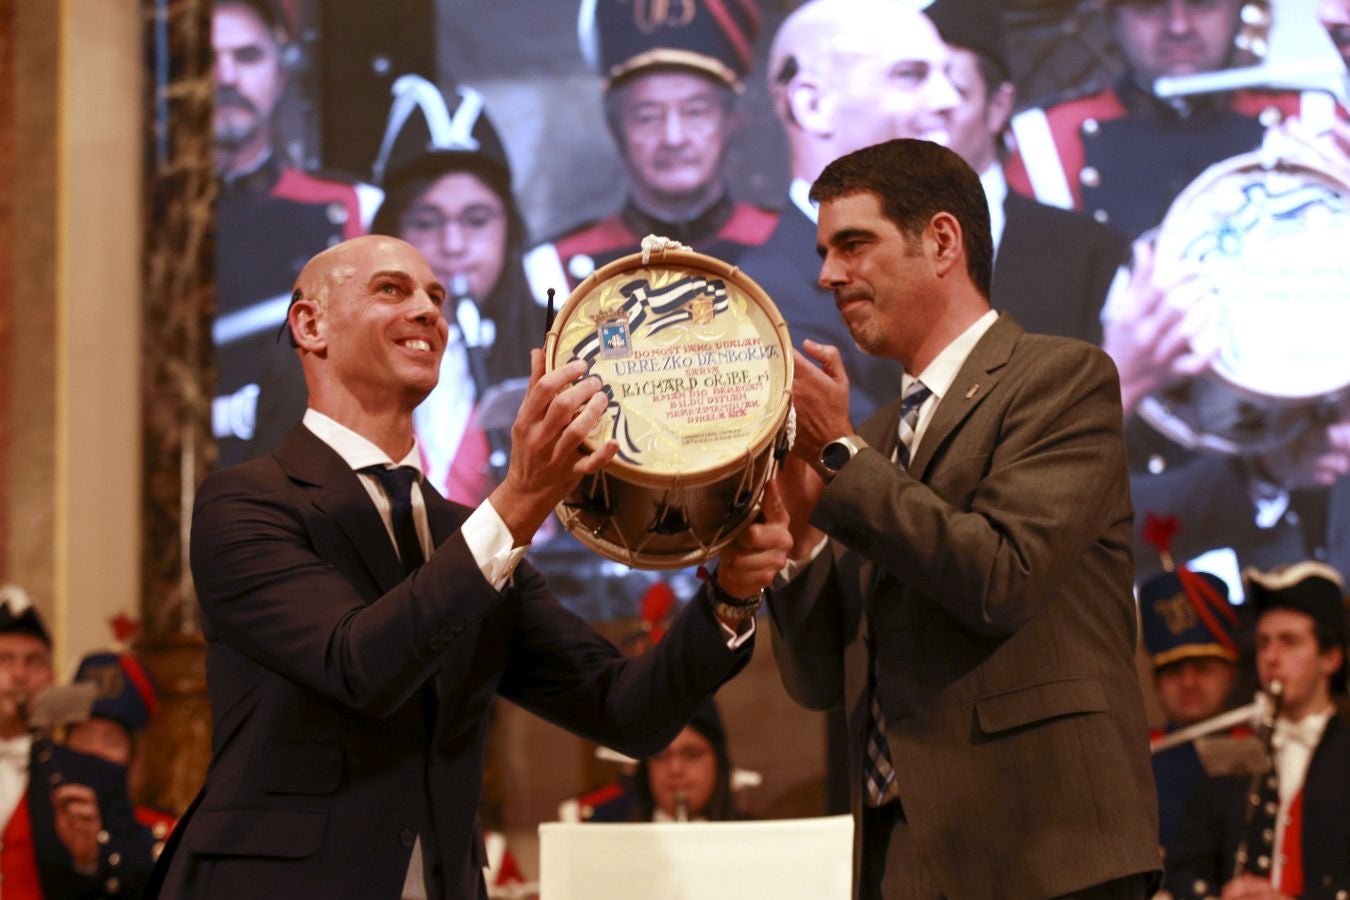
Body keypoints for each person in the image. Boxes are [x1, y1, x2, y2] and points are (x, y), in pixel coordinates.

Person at [148, 235, 790, 899]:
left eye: (436, 298)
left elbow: (626, 712)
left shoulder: (466, 534)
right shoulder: (247, 502)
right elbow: (358, 665)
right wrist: (518, 499)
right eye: (392, 289)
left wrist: (732, 597)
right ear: (310, 325)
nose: (429, 311)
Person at [765, 138, 1160, 898]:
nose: (827, 274)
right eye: (823, 251)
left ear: (942, 241)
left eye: (854, 244)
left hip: (1048, 852)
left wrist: (841, 460)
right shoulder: (873, 442)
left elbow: (1001, 577)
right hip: (900, 860)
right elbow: (820, 683)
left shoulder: (1061, 378)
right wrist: (803, 537)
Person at [250, 75, 534, 505]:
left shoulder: (549, 355)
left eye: (476, 220)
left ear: (508, 232)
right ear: (387, 235)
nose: (453, 245)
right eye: (426, 222)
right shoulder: (315, 359)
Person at [737, 0, 955, 421]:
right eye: (910, 75)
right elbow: (865, 470)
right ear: (813, 106)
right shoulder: (769, 302)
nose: (949, 99)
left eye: (948, 76)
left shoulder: (945, 252)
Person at [212, 0, 379, 466]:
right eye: (208, 58)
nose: (227, 77)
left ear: (281, 75)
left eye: (248, 56)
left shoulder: (348, 207)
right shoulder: (135, 219)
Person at [523, 0, 776, 298]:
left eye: (695, 112)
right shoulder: (556, 272)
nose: (673, 137)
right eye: (648, 116)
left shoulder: (790, 246)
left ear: (732, 121)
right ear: (615, 129)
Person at [924, 0, 1131, 346]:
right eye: (906, 87)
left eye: (954, 94)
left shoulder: (1090, 254)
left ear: (998, 106)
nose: (925, 111)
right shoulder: (841, 248)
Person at [1165, 561, 1349, 898]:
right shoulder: (1236, 750)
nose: (1271, 658)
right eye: (1263, 643)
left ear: (1330, 658)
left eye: (1289, 642)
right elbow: (1186, 863)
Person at [0, 586, 158, 898]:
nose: (19, 675)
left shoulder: (89, 771)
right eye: (4, 659)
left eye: (33, 661)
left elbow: (140, 870)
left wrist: (89, 859)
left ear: (50, 677)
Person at [1137, 561, 1245, 853]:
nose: (1188, 683)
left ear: (1230, 674)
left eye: (1202, 668)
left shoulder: (1258, 749)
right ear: (1155, 683)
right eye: (1173, 671)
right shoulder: (1137, 758)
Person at [66, 651, 178, 860]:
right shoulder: (34, 823)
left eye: (111, 740)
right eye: (84, 735)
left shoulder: (165, 838)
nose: (94, 750)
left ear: (135, 760)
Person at [581, 699, 741, 823]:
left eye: (692, 754)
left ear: (718, 761)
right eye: (659, 756)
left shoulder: (755, 839)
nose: (675, 769)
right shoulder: (609, 837)